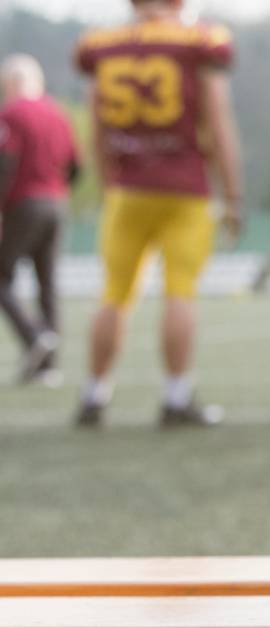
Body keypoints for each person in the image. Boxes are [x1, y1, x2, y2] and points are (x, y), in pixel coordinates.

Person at [73, 0, 242, 428]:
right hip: (184, 187)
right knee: (179, 291)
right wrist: (233, 193)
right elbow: (217, 119)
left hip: (127, 188)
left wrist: (109, 179)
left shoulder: (102, 44)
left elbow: (96, 125)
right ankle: (176, 395)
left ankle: (94, 394)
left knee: (113, 293)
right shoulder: (200, 40)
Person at [0, 54, 78, 386]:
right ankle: (48, 366)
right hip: (57, 202)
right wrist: (58, 191)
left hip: (23, 202)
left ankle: (34, 337)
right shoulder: (58, 113)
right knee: (48, 281)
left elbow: (6, 162)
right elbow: (76, 164)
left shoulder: (11, 113)